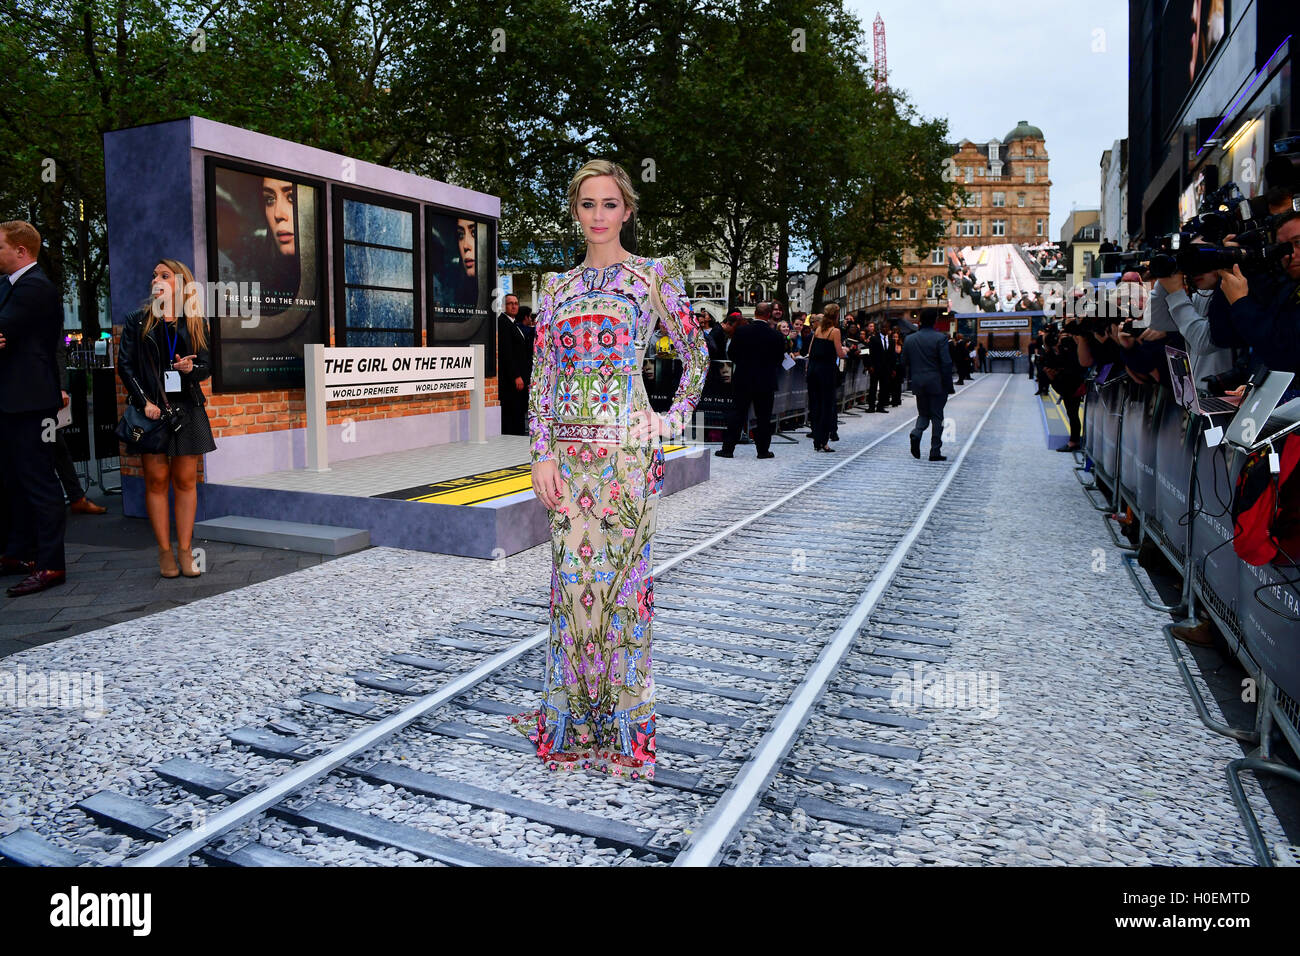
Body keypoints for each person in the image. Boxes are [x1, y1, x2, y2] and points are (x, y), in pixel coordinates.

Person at [516, 160, 708, 779]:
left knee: (625, 591)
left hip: (627, 462)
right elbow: (543, 377)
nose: (598, 216)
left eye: (609, 204)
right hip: (567, 463)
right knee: (571, 589)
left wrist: (670, 418)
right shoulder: (556, 288)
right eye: (587, 205)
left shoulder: (651, 278)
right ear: (576, 211)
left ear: (627, 210)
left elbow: (696, 354)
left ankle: (624, 730)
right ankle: (572, 724)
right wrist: (540, 452)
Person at [118, 260, 217, 578]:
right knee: (157, 481)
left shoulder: (196, 320)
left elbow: (206, 365)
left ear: (181, 283)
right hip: (153, 411)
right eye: (153, 276)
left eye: (164, 275)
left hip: (186, 408)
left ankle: (185, 551)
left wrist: (192, 370)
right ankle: (164, 553)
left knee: (186, 482)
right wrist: (142, 401)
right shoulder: (138, 320)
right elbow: (126, 366)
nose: (156, 280)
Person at [0, 220, 68, 596]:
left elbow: (5, 329)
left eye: (0, 247)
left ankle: (50, 564)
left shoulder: (36, 287)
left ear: (21, 251)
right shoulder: (8, 286)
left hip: (31, 401)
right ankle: (18, 553)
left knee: (39, 481)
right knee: (11, 479)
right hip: (10, 400)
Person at [717, 301, 785, 459]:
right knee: (763, 416)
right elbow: (779, 358)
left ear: (755, 313)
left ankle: (728, 448)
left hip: (744, 378)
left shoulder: (741, 331)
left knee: (737, 413)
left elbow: (732, 353)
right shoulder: (775, 335)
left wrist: (743, 364)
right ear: (768, 315)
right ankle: (762, 450)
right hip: (765, 380)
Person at [52, 337, 107, 515]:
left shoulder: (46, 313)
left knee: (55, 446)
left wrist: (61, 387)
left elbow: (57, 352)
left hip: (39, 399)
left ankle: (75, 498)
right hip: (17, 398)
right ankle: (75, 497)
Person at [902, 309, 955, 461]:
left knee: (923, 414)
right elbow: (946, 363)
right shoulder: (940, 338)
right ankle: (935, 451)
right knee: (937, 416)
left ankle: (916, 432)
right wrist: (948, 385)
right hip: (937, 383)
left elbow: (904, 362)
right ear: (935, 321)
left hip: (918, 383)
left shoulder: (910, 339)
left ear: (920, 320)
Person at [807, 311, 847, 452]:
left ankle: (817, 439)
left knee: (816, 405)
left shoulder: (817, 330)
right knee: (827, 405)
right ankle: (823, 441)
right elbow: (839, 353)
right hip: (826, 371)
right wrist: (845, 351)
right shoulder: (834, 331)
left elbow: (810, 350)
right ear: (836, 317)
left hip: (814, 370)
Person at [496, 293, 531, 435]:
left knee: (519, 410)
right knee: (512, 411)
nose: (514, 306)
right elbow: (507, 353)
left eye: (516, 303)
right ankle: (513, 435)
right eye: (510, 303)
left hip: (520, 377)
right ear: (504, 306)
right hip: (511, 380)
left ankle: (518, 433)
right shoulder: (503, 323)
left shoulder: (513, 323)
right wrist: (516, 375)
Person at [866, 319, 893, 412]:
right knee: (873, 387)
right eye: (883, 327)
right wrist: (870, 366)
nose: (885, 329)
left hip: (886, 368)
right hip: (875, 367)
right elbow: (870, 353)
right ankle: (871, 406)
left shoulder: (891, 340)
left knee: (884, 387)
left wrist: (892, 368)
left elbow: (892, 355)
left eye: (887, 327)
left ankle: (880, 405)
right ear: (880, 328)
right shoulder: (874, 339)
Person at [889, 328, 905, 406]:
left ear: (898, 338)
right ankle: (893, 399)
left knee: (898, 384)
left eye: (896, 337)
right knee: (892, 384)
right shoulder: (889, 346)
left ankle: (897, 399)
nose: (895, 338)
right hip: (892, 366)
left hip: (900, 367)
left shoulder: (901, 345)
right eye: (893, 337)